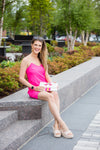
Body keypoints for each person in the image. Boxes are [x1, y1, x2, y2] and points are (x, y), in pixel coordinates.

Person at [19, 36, 74, 138]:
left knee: (55, 93)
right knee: (50, 97)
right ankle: (63, 124)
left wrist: (51, 85)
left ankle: (56, 125)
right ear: (31, 45)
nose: (37, 47)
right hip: (35, 90)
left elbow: (46, 75)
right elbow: (21, 78)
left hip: (45, 86)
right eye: (35, 44)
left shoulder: (42, 59)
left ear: (41, 47)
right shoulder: (26, 60)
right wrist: (33, 87)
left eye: (39, 45)